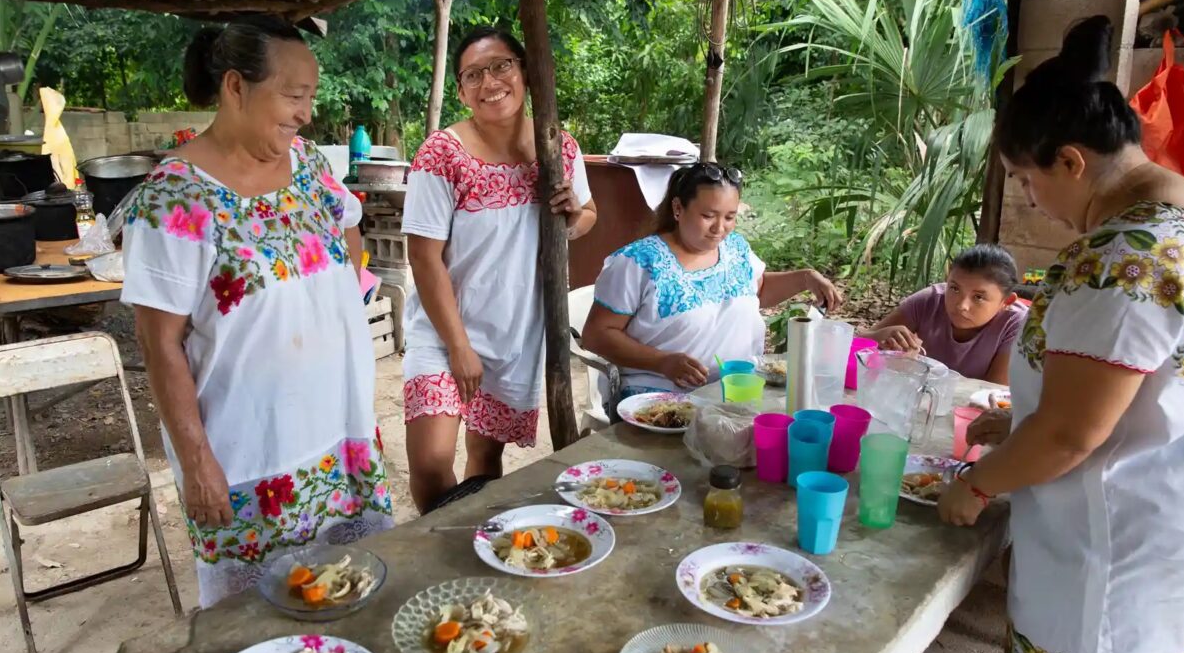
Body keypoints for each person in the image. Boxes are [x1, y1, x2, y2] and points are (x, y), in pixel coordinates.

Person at [938, 16, 1184, 653]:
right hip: (1173, 526)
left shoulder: (1121, 256)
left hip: (1108, 558)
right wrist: (1022, 419)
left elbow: (1071, 435)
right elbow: (1138, 387)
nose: (1031, 201)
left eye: (1027, 181)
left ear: (1070, 161)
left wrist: (979, 484)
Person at [123, 17, 393, 608]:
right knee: (261, 623)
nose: (305, 113)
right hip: (248, 458)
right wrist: (197, 462)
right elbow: (158, 343)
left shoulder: (312, 166)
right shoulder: (174, 199)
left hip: (338, 434)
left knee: (354, 597)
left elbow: (347, 230)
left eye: (310, 98)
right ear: (235, 88)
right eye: (293, 96)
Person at [402, 26, 598, 513]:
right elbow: (423, 256)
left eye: (500, 66)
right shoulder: (442, 154)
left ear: (524, 72)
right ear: (462, 90)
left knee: (485, 456)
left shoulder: (559, 146)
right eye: (473, 75)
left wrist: (574, 217)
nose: (490, 82)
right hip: (446, 329)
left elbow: (588, 215)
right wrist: (459, 345)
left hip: (517, 329)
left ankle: (471, 551)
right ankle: (433, 547)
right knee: (430, 462)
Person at [581, 162, 841, 398]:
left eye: (730, 217)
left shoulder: (735, 248)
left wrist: (805, 278)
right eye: (708, 216)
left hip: (738, 390)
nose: (720, 228)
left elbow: (757, 291)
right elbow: (597, 335)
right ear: (678, 208)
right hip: (659, 398)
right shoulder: (638, 263)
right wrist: (662, 362)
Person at [860, 244, 1026, 384]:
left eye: (979, 297)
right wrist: (878, 337)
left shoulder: (1017, 325)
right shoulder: (929, 301)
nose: (962, 305)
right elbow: (855, 344)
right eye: (954, 288)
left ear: (1006, 302)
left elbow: (993, 392)